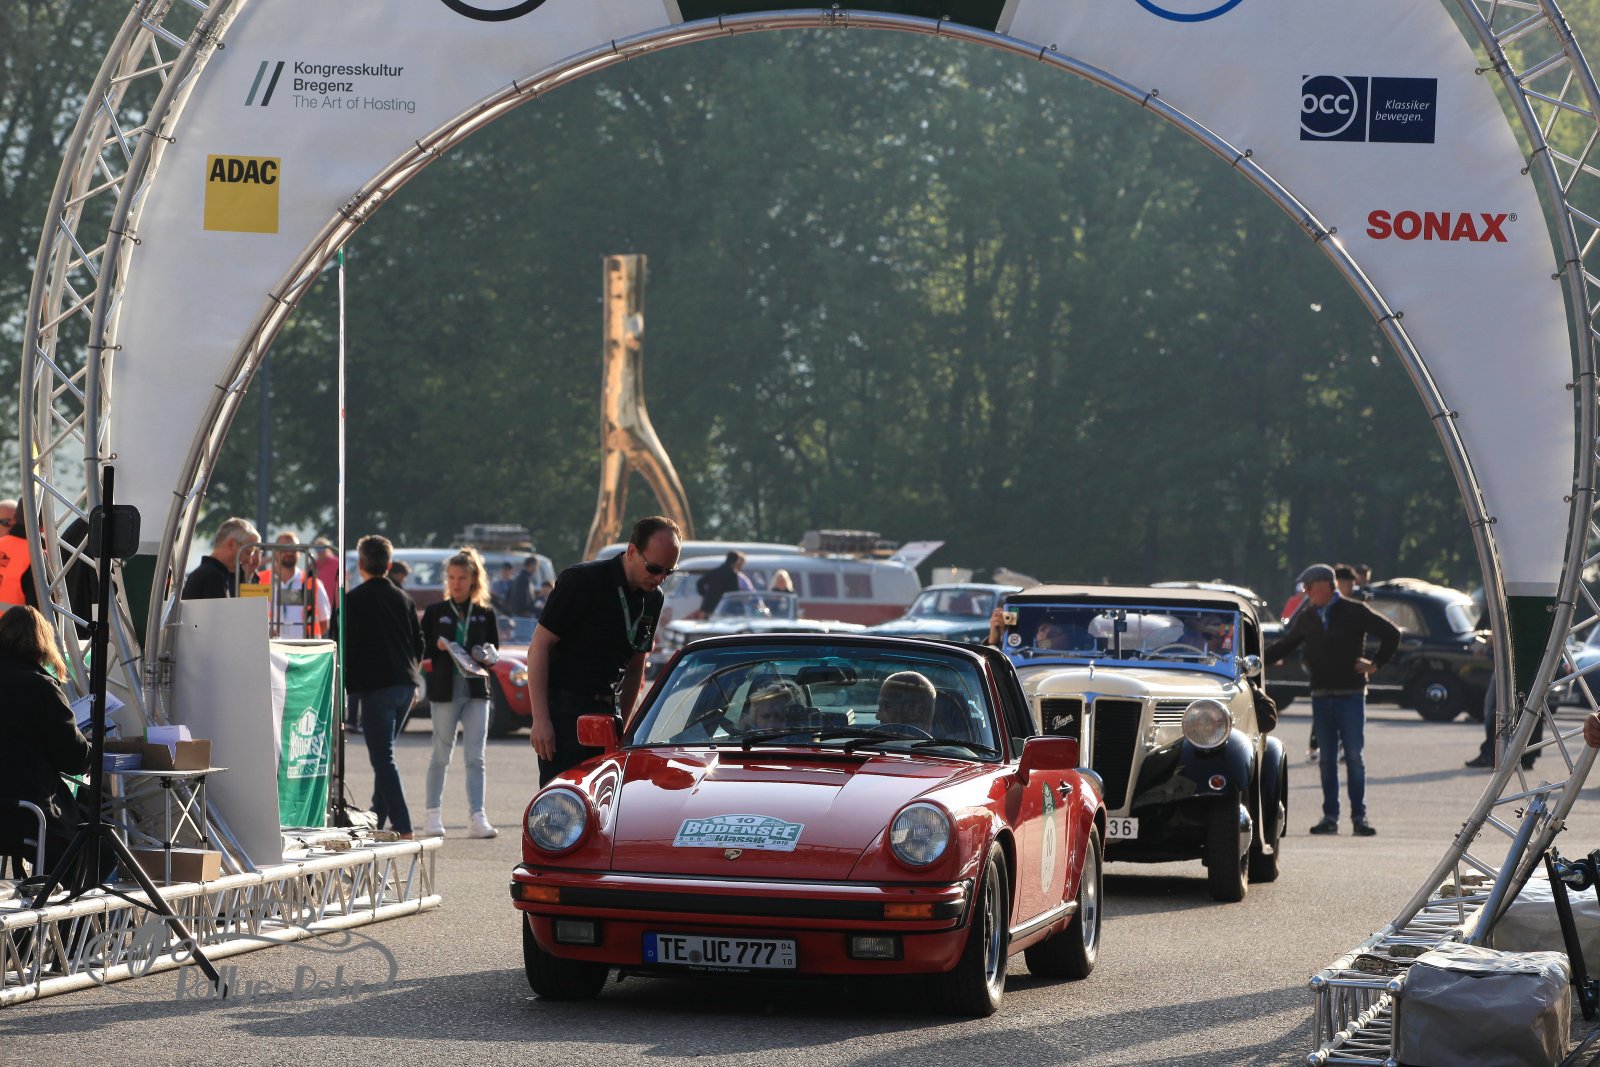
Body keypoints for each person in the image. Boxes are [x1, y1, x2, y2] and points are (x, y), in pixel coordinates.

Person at [527, 515, 681, 785]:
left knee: (606, 794)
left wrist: (625, 727)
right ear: (632, 551)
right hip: (566, 709)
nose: (659, 579)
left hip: (609, 710)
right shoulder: (582, 580)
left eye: (669, 572)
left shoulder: (653, 598)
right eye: (654, 568)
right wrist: (541, 720)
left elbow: (636, 666)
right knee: (564, 796)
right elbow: (539, 646)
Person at [1265, 563, 1400, 837]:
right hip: (1321, 695)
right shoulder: (1308, 615)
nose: (1305, 592)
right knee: (1326, 759)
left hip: (1351, 695)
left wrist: (1376, 664)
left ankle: (1359, 818)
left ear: (1326, 586)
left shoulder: (1355, 610)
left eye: (1309, 587)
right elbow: (1285, 645)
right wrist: (1252, 659)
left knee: (1354, 757)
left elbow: (1392, 633)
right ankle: (1330, 817)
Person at [342, 535, 424, 839]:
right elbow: (419, 643)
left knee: (382, 758)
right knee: (385, 754)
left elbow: (343, 645)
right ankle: (378, 815)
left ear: (361, 565)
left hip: (376, 687)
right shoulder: (403, 598)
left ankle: (403, 825)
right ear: (389, 565)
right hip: (406, 684)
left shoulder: (353, 600)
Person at [0, 605, 91, 875]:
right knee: (97, 843)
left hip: (10, 808)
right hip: (28, 813)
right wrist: (89, 746)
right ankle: (67, 903)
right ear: (43, 644)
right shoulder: (40, 686)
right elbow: (73, 760)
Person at [419, 547, 501, 839]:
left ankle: (477, 817)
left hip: (476, 690)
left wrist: (486, 653)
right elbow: (422, 647)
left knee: (475, 757)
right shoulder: (436, 612)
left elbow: (494, 650)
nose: (456, 583)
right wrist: (437, 645)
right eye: (452, 578)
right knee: (441, 755)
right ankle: (432, 815)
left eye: (462, 578)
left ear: (473, 579)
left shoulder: (485, 613)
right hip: (445, 690)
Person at [264, 532, 331, 639]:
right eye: (284, 548)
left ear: (299, 553)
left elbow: (324, 622)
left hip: (304, 648)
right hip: (269, 647)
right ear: (275, 552)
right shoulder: (260, 580)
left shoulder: (313, 583)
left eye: (293, 548)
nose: (289, 552)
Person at [181, 517, 260, 599]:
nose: (249, 560)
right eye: (248, 552)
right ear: (231, 544)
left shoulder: (207, 573)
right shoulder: (213, 577)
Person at [0, 507, 38, 610]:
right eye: (5, 522)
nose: (10, 525)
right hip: (16, 620)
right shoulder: (38, 555)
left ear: (15, 518)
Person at [693, 551, 746, 618]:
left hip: (710, 605)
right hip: (726, 607)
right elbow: (734, 591)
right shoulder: (732, 574)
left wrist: (705, 594)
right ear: (736, 561)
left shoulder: (714, 572)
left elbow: (699, 583)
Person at [507, 556, 542, 643]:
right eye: (536, 566)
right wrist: (527, 611)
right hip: (523, 617)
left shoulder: (520, 577)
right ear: (532, 565)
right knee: (523, 641)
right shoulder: (524, 578)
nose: (536, 569)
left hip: (519, 615)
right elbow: (523, 598)